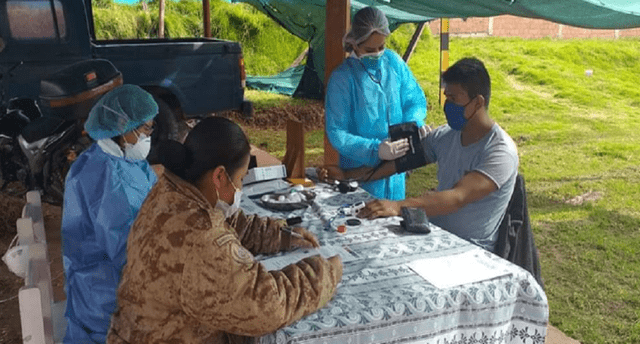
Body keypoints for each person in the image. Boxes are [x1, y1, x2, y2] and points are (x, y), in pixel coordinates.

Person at [107, 117, 343, 344]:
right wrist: (323, 273)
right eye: (240, 179)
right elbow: (266, 307)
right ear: (220, 176)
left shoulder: (171, 191)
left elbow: (226, 221)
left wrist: (280, 235)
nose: (240, 188)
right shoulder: (201, 239)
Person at [322, 58, 518, 252]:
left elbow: (457, 197)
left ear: (477, 103)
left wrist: (398, 206)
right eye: (446, 98)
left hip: (470, 251)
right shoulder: (446, 136)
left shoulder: (500, 152)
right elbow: (400, 163)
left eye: (454, 99)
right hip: (434, 237)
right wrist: (348, 175)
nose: (448, 106)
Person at [61, 84, 159, 343]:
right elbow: (127, 252)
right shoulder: (103, 177)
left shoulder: (124, 159)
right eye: (146, 129)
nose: (149, 136)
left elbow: (153, 199)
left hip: (109, 281)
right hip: (104, 299)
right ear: (123, 127)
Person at [325, 6, 427, 201]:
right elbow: (337, 132)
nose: (378, 53)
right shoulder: (342, 79)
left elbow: (413, 100)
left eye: (382, 47)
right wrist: (375, 149)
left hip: (396, 175)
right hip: (360, 176)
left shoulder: (393, 63)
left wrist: (414, 125)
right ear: (354, 44)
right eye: (370, 50)